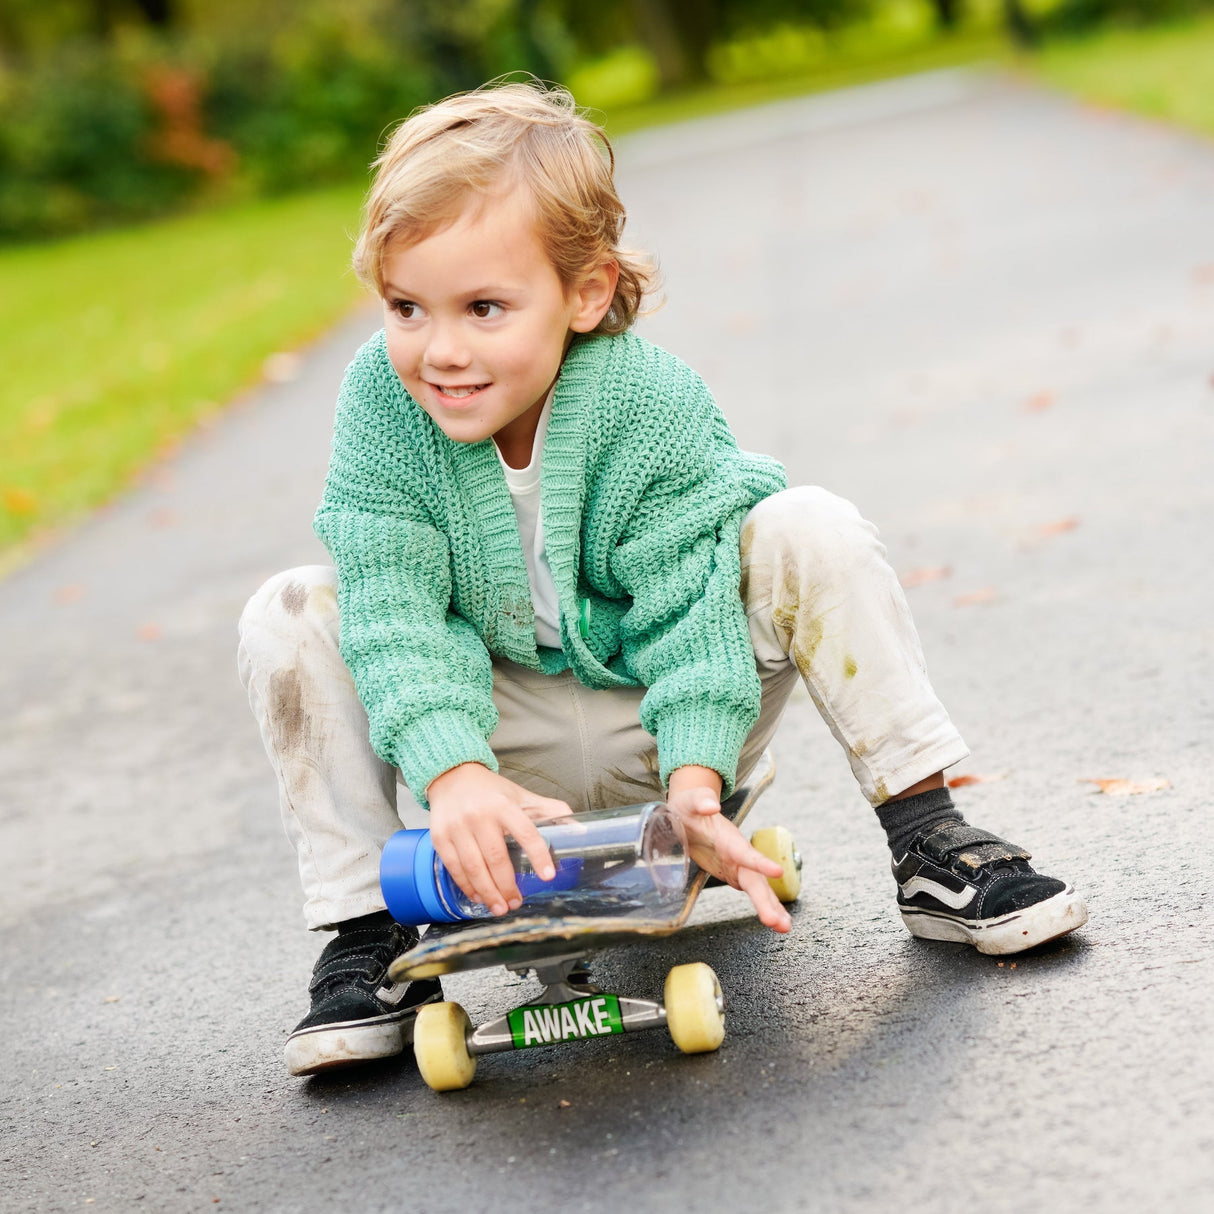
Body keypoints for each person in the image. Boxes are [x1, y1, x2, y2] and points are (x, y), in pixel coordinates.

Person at [237, 80, 1087, 1077]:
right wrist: (454, 775)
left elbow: (690, 612)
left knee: (806, 526)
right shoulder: (383, 403)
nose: (441, 349)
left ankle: (928, 837)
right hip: (496, 748)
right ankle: (366, 934)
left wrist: (693, 781)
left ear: (584, 293)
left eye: (483, 307)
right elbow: (393, 604)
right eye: (404, 307)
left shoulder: (647, 402)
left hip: (664, 719)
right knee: (292, 609)